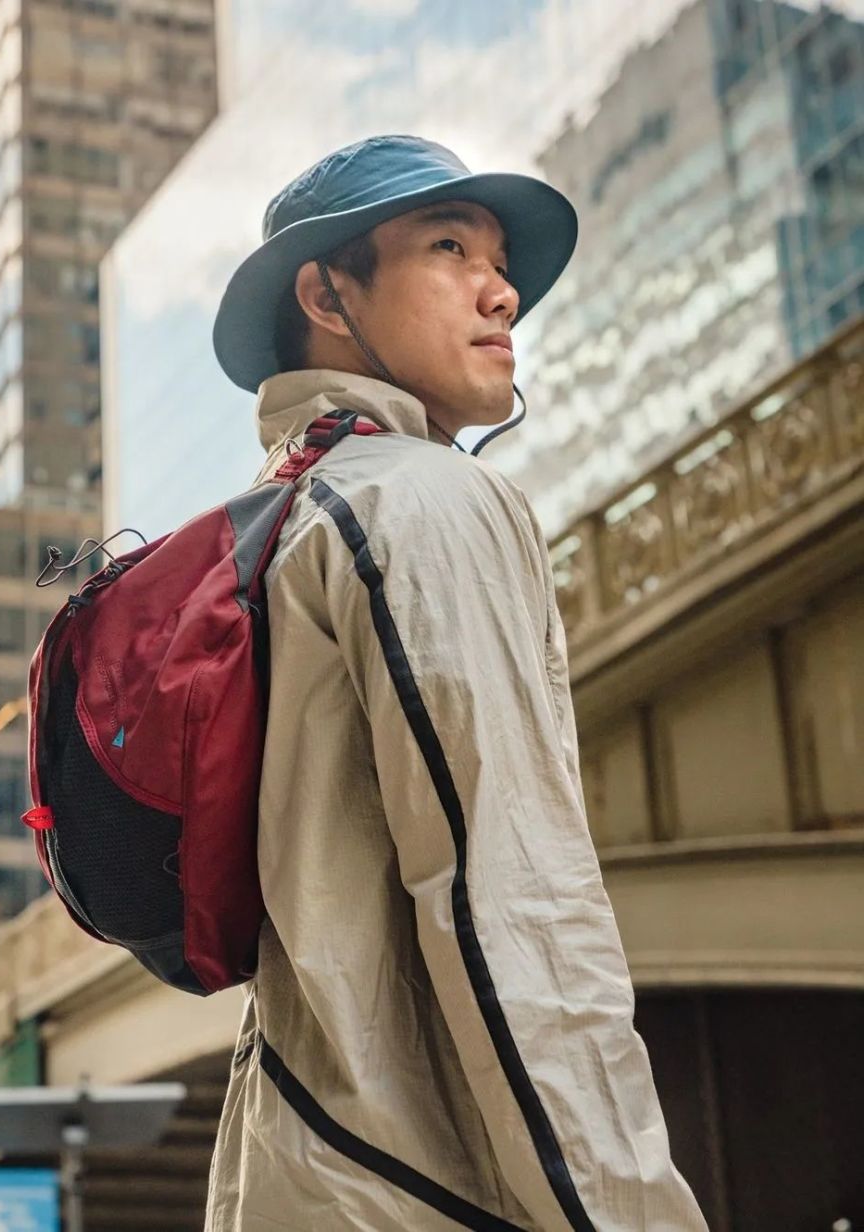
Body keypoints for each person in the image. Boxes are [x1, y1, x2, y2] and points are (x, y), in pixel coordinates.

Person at [205, 135, 709, 1232]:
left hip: (301, 1175)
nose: (503, 288)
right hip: (425, 1192)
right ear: (326, 293)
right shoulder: (418, 502)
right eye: (448, 247)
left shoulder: (283, 516)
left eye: (499, 258)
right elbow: (510, 913)